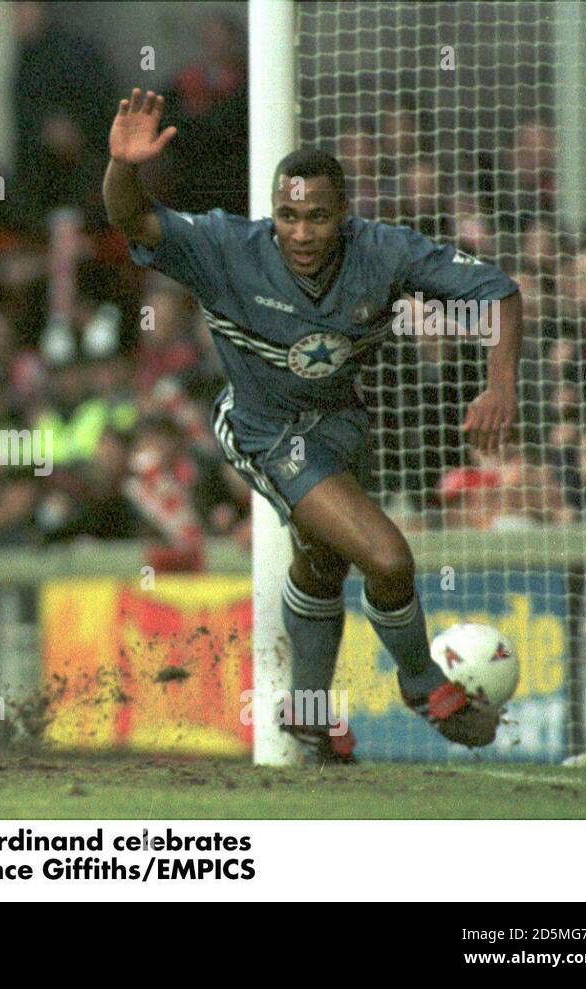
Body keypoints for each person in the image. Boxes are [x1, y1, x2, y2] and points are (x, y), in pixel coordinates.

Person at [102, 89, 523, 762]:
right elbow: (134, 219)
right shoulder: (225, 247)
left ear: (345, 215)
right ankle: (421, 683)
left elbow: (498, 290)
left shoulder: (383, 252)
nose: (300, 233)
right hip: (264, 430)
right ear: (274, 212)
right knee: (386, 556)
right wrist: (125, 167)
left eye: (317, 218)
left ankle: (307, 711)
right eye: (289, 216)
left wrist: (500, 384)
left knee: (322, 562)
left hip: (341, 428)